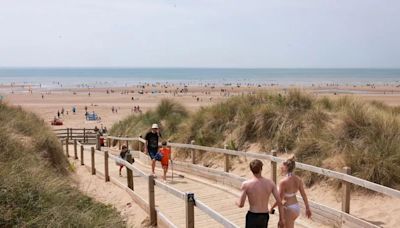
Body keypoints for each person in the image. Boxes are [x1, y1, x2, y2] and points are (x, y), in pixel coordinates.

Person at [236, 159, 285, 228]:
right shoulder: (270, 183)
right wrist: (281, 219)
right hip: (264, 216)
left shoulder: (246, 184)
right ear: (261, 168)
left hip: (252, 216)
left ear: (251, 169)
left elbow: (241, 204)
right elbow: (279, 202)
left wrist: (236, 202)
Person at [271, 157, 312, 228]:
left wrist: (271, 207)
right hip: (296, 208)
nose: (281, 167)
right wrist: (307, 208)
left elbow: (280, 199)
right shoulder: (298, 179)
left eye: (282, 166)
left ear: (286, 167)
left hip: (288, 209)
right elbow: (304, 195)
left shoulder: (283, 182)